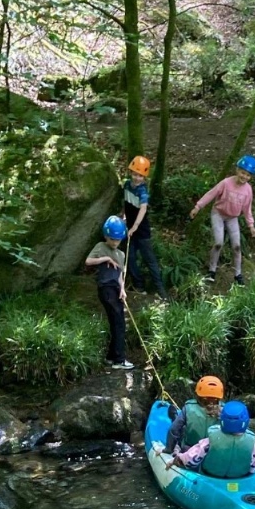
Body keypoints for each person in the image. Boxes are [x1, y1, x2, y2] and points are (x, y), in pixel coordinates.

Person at [191, 155, 255, 285]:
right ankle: (211, 271)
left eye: (248, 175)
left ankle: (238, 274)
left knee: (237, 246)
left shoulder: (248, 190)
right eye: (242, 172)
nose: (244, 176)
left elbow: (247, 208)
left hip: (232, 218)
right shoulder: (226, 183)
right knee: (218, 243)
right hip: (218, 214)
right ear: (237, 170)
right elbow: (211, 194)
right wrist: (198, 207)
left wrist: (251, 225)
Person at [85, 216, 130, 370]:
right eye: (112, 239)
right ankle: (119, 360)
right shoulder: (101, 247)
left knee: (117, 322)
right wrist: (105, 259)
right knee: (119, 322)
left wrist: (122, 289)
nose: (115, 243)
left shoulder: (121, 254)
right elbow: (88, 261)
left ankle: (111, 357)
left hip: (116, 289)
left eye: (118, 240)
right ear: (106, 236)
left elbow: (119, 275)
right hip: (106, 288)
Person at [176, 399, 255, 478]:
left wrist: (180, 458)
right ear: (246, 421)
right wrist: (254, 468)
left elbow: (192, 458)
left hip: (210, 476)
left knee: (186, 450)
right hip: (238, 478)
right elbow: (252, 463)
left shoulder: (210, 440)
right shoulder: (251, 442)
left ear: (223, 420)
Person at [121, 154, 167, 299]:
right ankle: (139, 285)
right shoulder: (127, 185)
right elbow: (126, 204)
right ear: (130, 172)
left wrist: (135, 226)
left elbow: (143, 208)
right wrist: (123, 217)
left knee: (149, 260)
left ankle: (160, 290)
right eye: (135, 174)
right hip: (129, 229)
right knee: (130, 258)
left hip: (141, 231)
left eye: (140, 176)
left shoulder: (142, 191)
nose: (137, 178)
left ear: (144, 177)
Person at [165, 375, 225, 454]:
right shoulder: (225, 411)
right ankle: (175, 416)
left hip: (189, 451)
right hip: (213, 453)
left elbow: (173, 430)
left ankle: (174, 417)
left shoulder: (189, 407)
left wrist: (168, 449)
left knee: (182, 428)